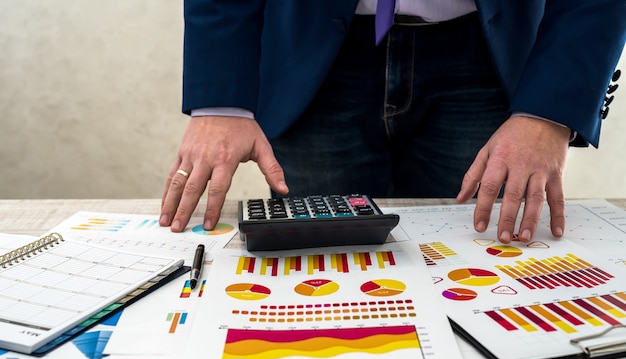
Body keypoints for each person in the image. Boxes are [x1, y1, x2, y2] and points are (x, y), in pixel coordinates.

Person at [159, 0, 626, 244]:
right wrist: (220, 100)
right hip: (311, 57)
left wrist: (552, 110)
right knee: (321, 271)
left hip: (489, 55)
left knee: (480, 259)